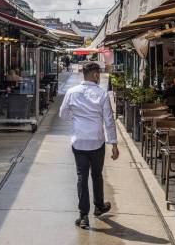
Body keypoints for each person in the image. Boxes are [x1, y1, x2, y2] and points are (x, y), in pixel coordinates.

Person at [59, 62, 119, 229]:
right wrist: (113, 143)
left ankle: (83, 216)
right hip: (97, 141)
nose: (99, 76)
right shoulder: (102, 94)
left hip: (79, 142)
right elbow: (109, 121)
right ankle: (99, 206)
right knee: (97, 175)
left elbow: (62, 114)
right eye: (98, 74)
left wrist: (76, 118)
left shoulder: (72, 92)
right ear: (94, 75)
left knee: (81, 177)